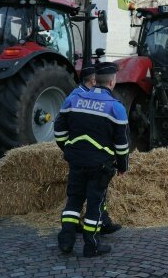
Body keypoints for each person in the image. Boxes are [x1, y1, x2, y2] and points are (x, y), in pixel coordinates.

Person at [54, 61, 129, 258]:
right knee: (95, 205)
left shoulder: (74, 99)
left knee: (74, 201)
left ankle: (66, 241)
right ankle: (91, 246)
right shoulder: (116, 108)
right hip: (100, 165)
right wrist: (123, 166)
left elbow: (59, 131)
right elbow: (121, 145)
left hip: (76, 161)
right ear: (112, 82)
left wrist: (69, 150)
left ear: (95, 81)